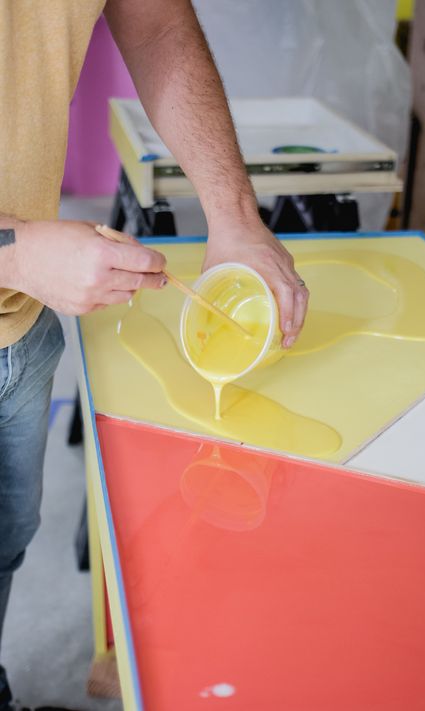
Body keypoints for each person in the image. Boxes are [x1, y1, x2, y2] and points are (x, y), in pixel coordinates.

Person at [0, 2, 308, 709]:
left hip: (22, 327)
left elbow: (158, 24)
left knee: (5, 537)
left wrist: (235, 216)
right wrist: (15, 253)